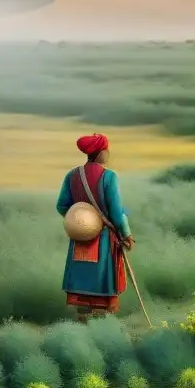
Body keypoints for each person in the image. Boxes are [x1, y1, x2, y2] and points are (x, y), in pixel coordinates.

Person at [56, 133, 135, 323]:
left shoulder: (72, 175)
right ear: (100, 153)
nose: (108, 152)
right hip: (104, 237)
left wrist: (80, 219)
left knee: (82, 277)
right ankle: (107, 324)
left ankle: (83, 319)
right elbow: (116, 213)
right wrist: (126, 234)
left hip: (80, 237)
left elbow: (61, 206)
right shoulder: (109, 176)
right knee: (105, 278)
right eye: (106, 149)